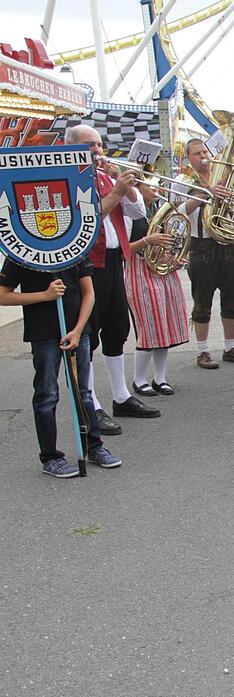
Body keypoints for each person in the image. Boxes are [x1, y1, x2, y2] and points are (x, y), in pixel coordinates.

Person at [64, 125, 160, 436]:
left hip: (115, 262)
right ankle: (90, 405)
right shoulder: (70, 179)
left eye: (99, 144)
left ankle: (120, 396)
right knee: (88, 335)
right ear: (72, 148)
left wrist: (129, 186)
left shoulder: (105, 175)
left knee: (117, 329)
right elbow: (86, 219)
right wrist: (117, 191)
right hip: (88, 265)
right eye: (90, 145)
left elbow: (135, 211)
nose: (98, 150)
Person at [0, 255, 122, 476]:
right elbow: (3, 295)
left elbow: (89, 293)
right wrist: (44, 295)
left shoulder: (75, 250)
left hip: (78, 331)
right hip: (43, 333)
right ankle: (50, 457)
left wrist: (78, 330)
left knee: (83, 392)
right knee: (47, 394)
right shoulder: (22, 254)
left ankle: (94, 447)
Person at [174, 138, 234, 370]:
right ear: (189, 158)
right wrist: (206, 193)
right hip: (202, 244)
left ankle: (230, 347)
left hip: (231, 243)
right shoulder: (183, 181)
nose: (203, 157)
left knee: (233, 299)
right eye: (197, 154)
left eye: (205, 152)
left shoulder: (226, 176)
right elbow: (178, 212)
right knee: (202, 300)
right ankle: (202, 351)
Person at [124, 182, 189, 397]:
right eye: (150, 186)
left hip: (162, 270)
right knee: (149, 326)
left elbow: (170, 243)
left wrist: (176, 259)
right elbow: (122, 250)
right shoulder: (130, 213)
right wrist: (147, 240)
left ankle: (160, 377)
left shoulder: (161, 210)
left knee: (165, 325)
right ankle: (138, 379)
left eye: (157, 187)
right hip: (138, 270)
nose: (156, 190)